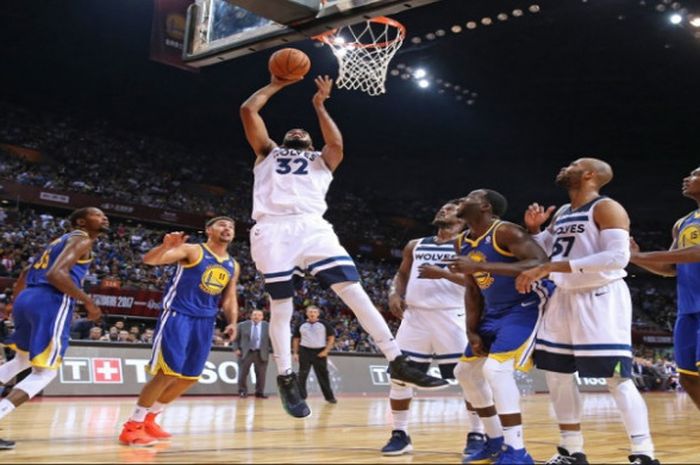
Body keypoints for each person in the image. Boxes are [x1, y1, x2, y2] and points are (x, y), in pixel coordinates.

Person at [239, 74, 447, 418]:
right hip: (273, 229)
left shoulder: (322, 160)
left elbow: (336, 146)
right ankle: (287, 378)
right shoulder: (267, 153)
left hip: (313, 227)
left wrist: (320, 106)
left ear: (311, 143)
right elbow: (249, 110)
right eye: (294, 132)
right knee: (282, 307)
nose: (298, 132)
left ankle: (397, 360)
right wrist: (277, 84)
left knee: (354, 290)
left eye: (304, 133)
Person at [517, 158, 658, 465]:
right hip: (563, 296)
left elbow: (617, 257)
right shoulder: (565, 212)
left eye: (574, 165)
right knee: (556, 375)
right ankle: (571, 450)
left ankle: (644, 453)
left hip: (600, 297)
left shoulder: (607, 208)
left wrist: (552, 266)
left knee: (616, 378)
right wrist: (535, 230)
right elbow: (544, 249)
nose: (565, 167)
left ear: (590, 175)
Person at [446, 190, 552, 465]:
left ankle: (517, 451)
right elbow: (472, 289)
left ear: (484, 206)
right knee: (465, 372)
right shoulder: (461, 242)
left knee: (496, 370)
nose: (461, 200)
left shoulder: (505, 231)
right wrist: (471, 330)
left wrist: (482, 265)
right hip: (491, 312)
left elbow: (542, 263)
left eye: (468, 197)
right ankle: (494, 441)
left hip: (524, 307)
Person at [118, 217, 239, 446]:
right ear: (208, 230)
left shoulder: (233, 264)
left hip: (205, 322)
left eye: (231, 226)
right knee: (168, 373)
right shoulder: (191, 250)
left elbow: (230, 297)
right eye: (222, 224)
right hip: (178, 315)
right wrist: (165, 247)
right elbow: (150, 260)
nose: (227, 229)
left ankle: (151, 418)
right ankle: (132, 426)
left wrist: (232, 321)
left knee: (189, 377)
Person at [380, 200, 486, 457]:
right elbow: (402, 274)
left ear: (462, 220)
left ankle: (477, 434)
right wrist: (395, 293)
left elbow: (479, 281)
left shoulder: (469, 246)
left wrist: (444, 273)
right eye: (443, 207)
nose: (443, 210)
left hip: (453, 317)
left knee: (469, 379)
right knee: (399, 378)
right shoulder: (415, 244)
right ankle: (400, 434)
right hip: (415, 318)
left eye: (450, 209)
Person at [0, 207, 108, 450]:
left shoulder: (57, 241)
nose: (104, 218)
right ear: (81, 221)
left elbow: (26, 273)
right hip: (50, 301)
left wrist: (15, 303)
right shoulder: (82, 238)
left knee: (21, 361)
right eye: (98, 215)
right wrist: (89, 303)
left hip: (28, 298)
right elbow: (56, 274)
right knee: (45, 373)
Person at [630, 166, 700, 409]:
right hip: (687, 309)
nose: (687, 178)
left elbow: (696, 253)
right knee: (688, 376)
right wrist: (636, 257)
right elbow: (670, 267)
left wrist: (645, 256)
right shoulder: (682, 223)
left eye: (695, 175)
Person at [292, 305, 337, 404]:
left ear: (318, 314)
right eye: (310, 312)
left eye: (314, 312)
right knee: (302, 375)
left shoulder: (324, 324)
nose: (312, 314)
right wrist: (295, 353)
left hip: (320, 352)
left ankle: (329, 397)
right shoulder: (301, 324)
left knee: (323, 375)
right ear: (307, 313)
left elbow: (331, 338)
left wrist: (326, 351)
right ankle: (302, 396)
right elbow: (296, 339)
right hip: (304, 351)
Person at [234, 309, 271, 398]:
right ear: (251, 316)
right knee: (242, 373)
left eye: (259, 315)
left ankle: (259, 392)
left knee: (261, 375)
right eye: (254, 315)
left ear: (262, 317)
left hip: (261, 353)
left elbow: (273, 340)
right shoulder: (242, 325)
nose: (256, 317)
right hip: (246, 352)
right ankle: (242, 391)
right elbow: (235, 339)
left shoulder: (268, 327)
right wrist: (236, 349)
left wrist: (274, 352)